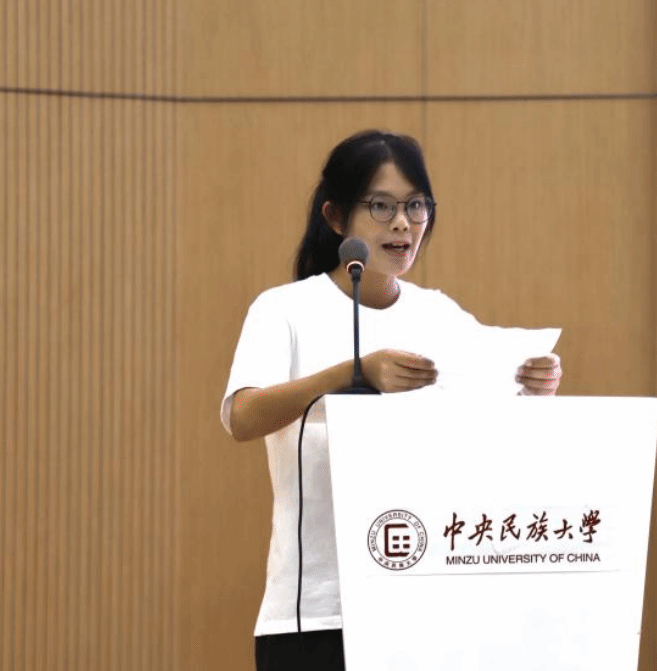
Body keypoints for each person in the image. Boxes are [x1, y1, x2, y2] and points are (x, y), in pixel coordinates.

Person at [221, 129, 562, 671]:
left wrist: (531, 383)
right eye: (381, 206)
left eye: (416, 205)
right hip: (316, 614)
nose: (403, 223)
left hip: (425, 606)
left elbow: (488, 421)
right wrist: (353, 373)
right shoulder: (284, 309)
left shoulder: (440, 314)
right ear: (336, 217)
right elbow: (242, 416)